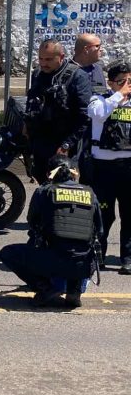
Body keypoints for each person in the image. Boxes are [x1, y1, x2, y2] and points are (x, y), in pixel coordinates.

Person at [0, 155, 102, 308]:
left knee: (8, 253)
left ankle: (46, 288)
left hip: (54, 260)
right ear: (74, 173)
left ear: (49, 174)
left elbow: (32, 221)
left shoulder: (44, 191)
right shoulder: (90, 193)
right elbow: (99, 230)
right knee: (81, 246)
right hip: (84, 265)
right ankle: (75, 291)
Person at [25, 39, 92, 184]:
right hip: (41, 141)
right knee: (43, 183)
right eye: (41, 59)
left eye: (48, 59)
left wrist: (67, 145)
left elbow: (85, 116)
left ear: (61, 57)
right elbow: (31, 100)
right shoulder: (37, 74)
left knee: (63, 187)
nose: (43, 63)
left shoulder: (78, 76)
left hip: (64, 144)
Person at [87, 60, 131, 275]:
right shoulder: (99, 100)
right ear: (112, 82)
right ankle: (98, 256)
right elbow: (97, 114)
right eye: (122, 81)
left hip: (129, 166)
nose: (127, 86)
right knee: (103, 215)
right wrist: (118, 96)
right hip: (103, 166)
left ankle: (128, 259)